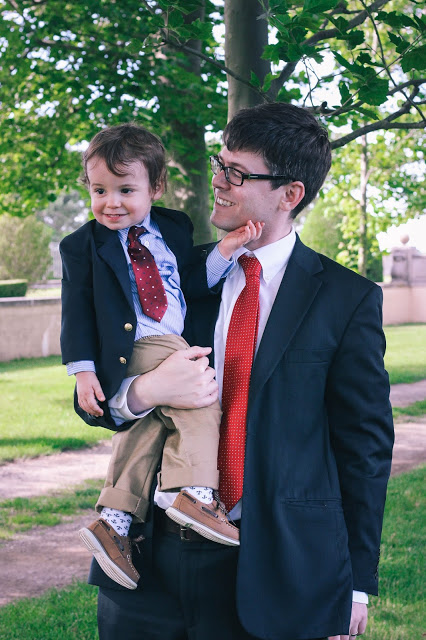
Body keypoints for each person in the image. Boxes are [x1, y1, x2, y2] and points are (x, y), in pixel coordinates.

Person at [81, 104, 394, 640]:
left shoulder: (349, 299)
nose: (219, 183)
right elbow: (97, 395)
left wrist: (356, 584)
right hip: (149, 563)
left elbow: (364, 449)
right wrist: (146, 391)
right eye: (219, 164)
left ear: (289, 194)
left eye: (238, 174)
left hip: (278, 563)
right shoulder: (169, 273)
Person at [60, 123, 264, 591]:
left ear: (156, 187)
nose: (111, 202)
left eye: (126, 190)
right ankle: (192, 490)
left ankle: (113, 518)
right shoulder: (82, 245)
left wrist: (227, 251)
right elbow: (75, 313)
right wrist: (83, 371)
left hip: (169, 338)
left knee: (148, 423)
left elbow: (191, 282)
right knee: (200, 397)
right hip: (132, 348)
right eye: (99, 190)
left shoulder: (172, 227)